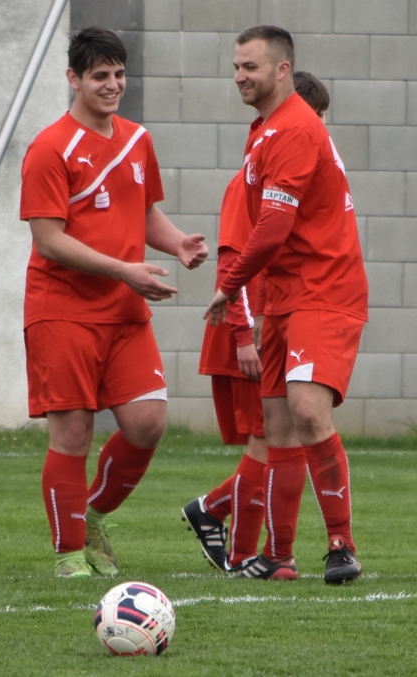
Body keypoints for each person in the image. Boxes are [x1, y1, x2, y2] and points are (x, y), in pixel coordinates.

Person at [19, 26, 208, 579]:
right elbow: (48, 240)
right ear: (73, 79)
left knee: (147, 423)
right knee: (73, 433)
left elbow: (141, 211)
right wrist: (125, 270)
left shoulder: (137, 139)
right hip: (62, 310)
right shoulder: (49, 147)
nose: (112, 85)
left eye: (119, 74)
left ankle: (93, 515)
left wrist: (177, 242)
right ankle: (68, 555)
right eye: (100, 75)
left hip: (124, 311)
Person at [204, 26, 367, 585]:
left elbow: (273, 227)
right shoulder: (264, 130)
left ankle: (342, 546)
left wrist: (230, 285)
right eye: (235, 67)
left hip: (325, 289)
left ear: (282, 70)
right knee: (276, 427)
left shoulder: (295, 126)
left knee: (306, 409)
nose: (239, 76)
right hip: (283, 295)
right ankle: (278, 555)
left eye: (250, 66)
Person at [183, 71, 330, 574]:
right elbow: (234, 261)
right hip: (248, 329)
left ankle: (220, 519)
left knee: (275, 441)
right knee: (268, 441)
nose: (320, 133)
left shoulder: (292, 178)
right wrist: (245, 335)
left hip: (274, 325)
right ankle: (243, 548)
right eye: (315, 120)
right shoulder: (250, 180)